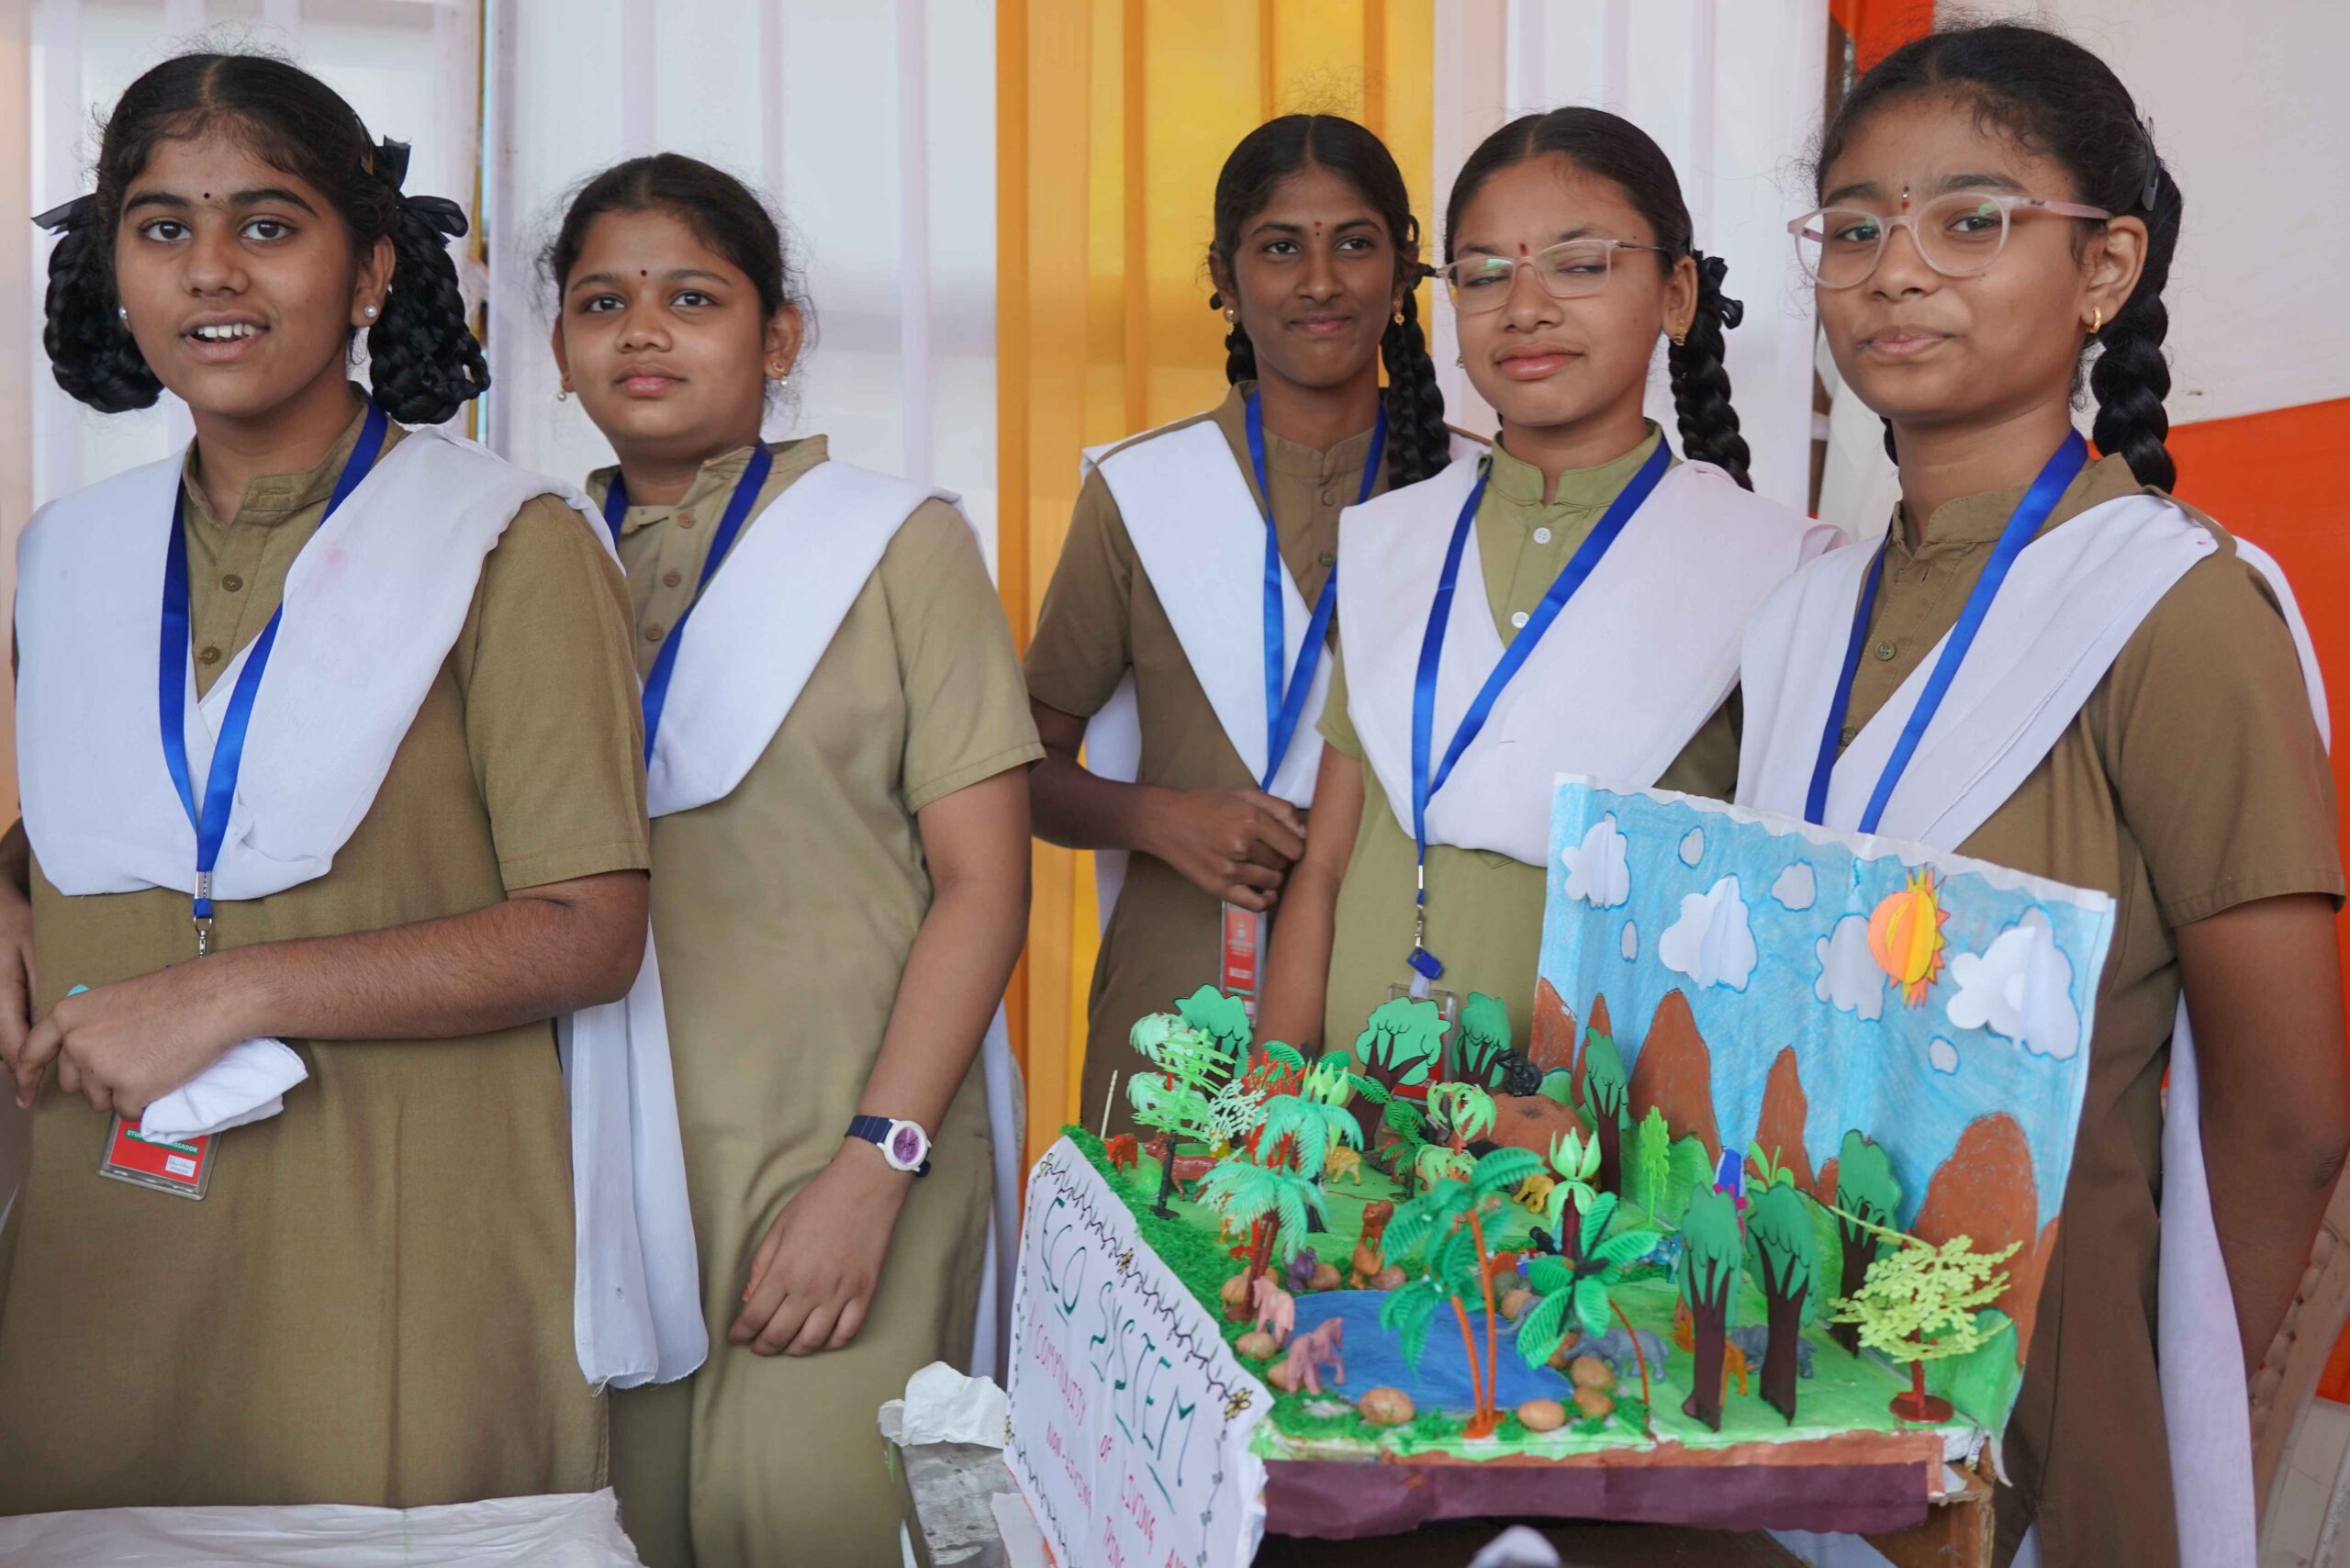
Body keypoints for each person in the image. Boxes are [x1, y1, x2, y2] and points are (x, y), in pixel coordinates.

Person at [0, 51, 692, 1511]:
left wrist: (228, 990)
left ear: (372, 269)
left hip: (397, 1265)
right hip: (100, 1269)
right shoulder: (68, 551)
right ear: (113, 267)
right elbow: (117, 805)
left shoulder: (508, 541)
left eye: (267, 224)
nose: (211, 270)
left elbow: (588, 930)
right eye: (163, 227)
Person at [1735, 26, 2350, 1567]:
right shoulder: (1805, 614)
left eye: (1972, 220)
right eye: (1855, 230)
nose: (1897, 270)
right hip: (1772, 1350)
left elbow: (2287, 1118)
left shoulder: (2175, 608)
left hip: (2038, 1407)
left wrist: (2161, 1405)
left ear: (2106, 267)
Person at [545, 153, 1039, 1568]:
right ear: (561, 346)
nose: (643, 331)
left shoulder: (896, 545)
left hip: (855, 1141)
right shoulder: (529, 560)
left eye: (692, 298)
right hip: (598, 1163)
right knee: (615, 1535)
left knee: (822, 1522)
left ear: (779, 336)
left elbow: (986, 884)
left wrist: (875, 1168)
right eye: (602, 302)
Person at [1255, 108, 1836, 1055]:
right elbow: (1322, 871)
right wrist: (1268, 1101)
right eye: (1485, 273)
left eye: (1580, 264)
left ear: (1676, 294)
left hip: (1595, 1133)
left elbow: (1770, 933)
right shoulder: (1394, 541)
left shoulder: (1775, 571)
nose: (1524, 307)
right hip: (1344, 1115)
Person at [1024, 114, 1453, 1131]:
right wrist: (1159, 819)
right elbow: (1018, 767)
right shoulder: (1140, 490)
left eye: (1355, 243)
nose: (1320, 281)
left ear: (1403, 272)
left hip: (1406, 1012)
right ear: (1223, 275)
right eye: (1280, 247)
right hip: (1175, 1006)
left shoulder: (1474, 491)